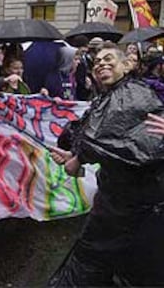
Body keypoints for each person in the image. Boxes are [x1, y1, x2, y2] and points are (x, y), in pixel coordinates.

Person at [48, 42, 164, 286]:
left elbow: (102, 138)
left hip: (138, 208)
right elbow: (107, 142)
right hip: (116, 204)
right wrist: (74, 156)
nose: (101, 63)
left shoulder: (133, 93)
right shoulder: (107, 98)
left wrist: (77, 158)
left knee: (114, 270)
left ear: (128, 65)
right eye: (98, 61)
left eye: (109, 58)